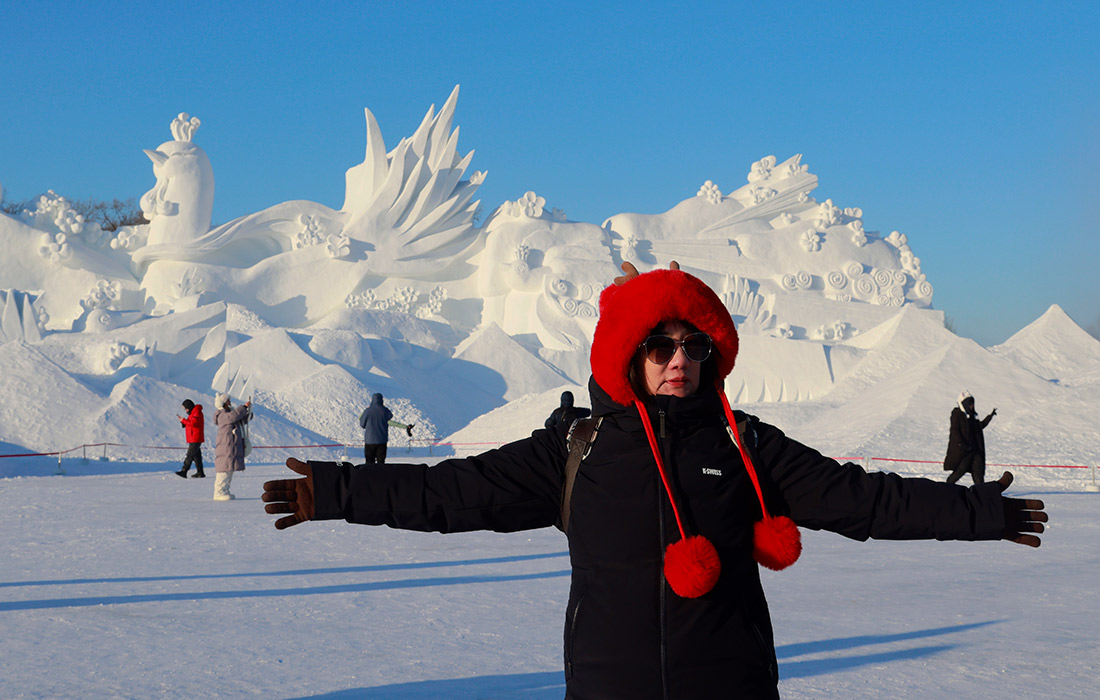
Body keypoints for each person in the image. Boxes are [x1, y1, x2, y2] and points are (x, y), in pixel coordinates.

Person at [263, 262, 1046, 700]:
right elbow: (447, 495)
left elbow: (865, 500)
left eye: (694, 345)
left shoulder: (747, 447)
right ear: (629, 354)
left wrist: (977, 511)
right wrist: (334, 491)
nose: (680, 359)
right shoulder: (575, 449)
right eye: (662, 343)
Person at [944, 390, 997, 485]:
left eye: (972, 403)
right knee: (961, 470)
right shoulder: (957, 414)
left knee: (978, 472)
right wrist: (961, 444)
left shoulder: (972, 417)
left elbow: (980, 426)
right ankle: (947, 486)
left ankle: (980, 492)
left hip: (976, 450)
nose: (971, 406)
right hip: (966, 450)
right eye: (969, 403)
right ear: (963, 404)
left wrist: (990, 416)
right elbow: (955, 430)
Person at [213, 393, 251, 501]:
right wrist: (243, 407)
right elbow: (234, 416)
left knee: (229, 470)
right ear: (224, 403)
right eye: (228, 401)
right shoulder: (222, 415)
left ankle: (225, 490)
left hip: (230, 447)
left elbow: (240, 419)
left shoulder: (228, 414)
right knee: (224, 471)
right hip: (226, 448)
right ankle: (219, 492)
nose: (230, 403)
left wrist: (248, 411)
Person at [358, 393, 413, 464]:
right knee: (381, 462)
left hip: (370, 441)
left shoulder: (367, 411)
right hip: (382, 441)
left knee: (369, 462)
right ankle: (381, 474)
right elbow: (391, 418)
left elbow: (362, 424)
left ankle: (370, 474)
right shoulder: (384, 411)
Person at [174, 398, 206, 478]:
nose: (186, 410)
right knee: (196, 456)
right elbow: (191, 423)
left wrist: (183, 420)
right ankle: (200, 472)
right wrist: (183, 422)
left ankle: (184, 471)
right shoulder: (193, 413)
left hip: (195, 438)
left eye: (186, 408)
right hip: (193, 437)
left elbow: (194, 423)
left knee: (190, 455)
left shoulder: (196, 412)